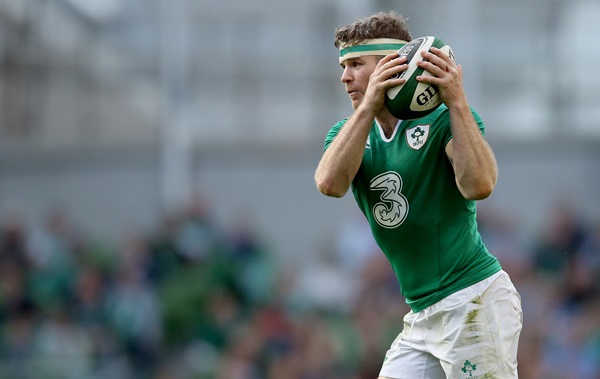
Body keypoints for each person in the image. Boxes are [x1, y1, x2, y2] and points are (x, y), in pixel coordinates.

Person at [314, 11, 523, 379]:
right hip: (421, 315)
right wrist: (367, 107)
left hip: (473, 302)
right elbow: (330, 183)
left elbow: (480, 185)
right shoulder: (349, 133)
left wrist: (457, 101)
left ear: (394, 66)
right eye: (343, 65)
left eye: (356, 64)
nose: (345, 76)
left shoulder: (445, 118)